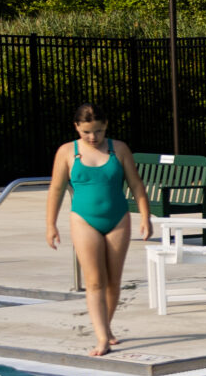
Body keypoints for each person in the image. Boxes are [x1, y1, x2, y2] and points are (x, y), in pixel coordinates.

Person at [44, 101, 153, 358]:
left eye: (98, 132)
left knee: (113, 282)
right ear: (77, 128)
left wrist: (146, 217)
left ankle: (105, 325)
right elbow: (56, 190)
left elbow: (137, 186)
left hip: (117, 219)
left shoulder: (120, 150)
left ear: (106, 127)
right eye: (86, 132)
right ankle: (102, 337)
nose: (93, 137)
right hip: (84, 220)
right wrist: (50, 224)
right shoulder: (67, 152)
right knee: (94, 281)